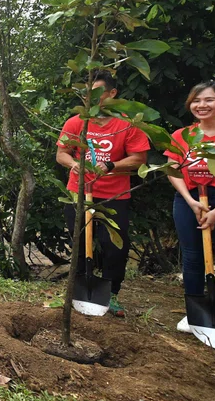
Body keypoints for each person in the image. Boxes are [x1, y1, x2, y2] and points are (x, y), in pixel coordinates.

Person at [55, 71, 149, 317]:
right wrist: (73, 164)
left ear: (112, 94)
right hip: (78, 192)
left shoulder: (127, 124)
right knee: (78, 243)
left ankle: (112, 295)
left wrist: (112, 166)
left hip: (114, 195)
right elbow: (62, 153)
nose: (91, 98)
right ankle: (75, 293)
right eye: (86, 93)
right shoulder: (76, 122)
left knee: (114, 247)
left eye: (97, 92)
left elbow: (139, 159)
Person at [166, 81, 215, 333]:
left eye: (209, 100)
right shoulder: (182, 135)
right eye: (197, 100)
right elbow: (172, 169)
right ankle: (195, 314)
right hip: (190, 200)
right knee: (193, 258)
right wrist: (189, 199)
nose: (201, 105)